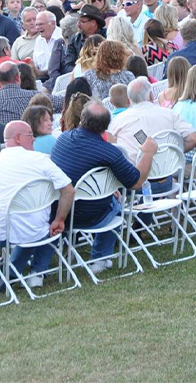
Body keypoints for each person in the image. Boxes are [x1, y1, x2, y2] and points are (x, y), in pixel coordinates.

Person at [51, 100, 157, 274]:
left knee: (111, 197)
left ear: (81, 120)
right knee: (118, 204)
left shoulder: (63, 138)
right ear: (106, 126)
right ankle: (100, 258)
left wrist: (107, 187)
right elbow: (136, 182)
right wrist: (148, 153)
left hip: (57, 213)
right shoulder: (109, 152)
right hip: (88, 215)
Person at [0, 121, 74, 285]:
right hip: (35, 231)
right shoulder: (41, 160)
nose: (34, 139)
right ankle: (36, 273)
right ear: (17, 137)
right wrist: (59, 219)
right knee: (50, 228)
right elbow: (68, 190)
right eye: (30, 135)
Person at [108, 77, 196, 163]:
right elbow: (194, 139)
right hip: (168, 169)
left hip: (135, 171)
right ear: (151, 96)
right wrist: (174, 152)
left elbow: (110, 147)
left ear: (129, 99)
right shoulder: (170, 114)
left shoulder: (118, 120)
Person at [62, 5, 107, 74]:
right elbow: (69, 63)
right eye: (78, 21)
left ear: (93, 23)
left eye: (82, 21)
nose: (78, 24)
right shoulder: (74, 39)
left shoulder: (107, 36)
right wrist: (79, 72)